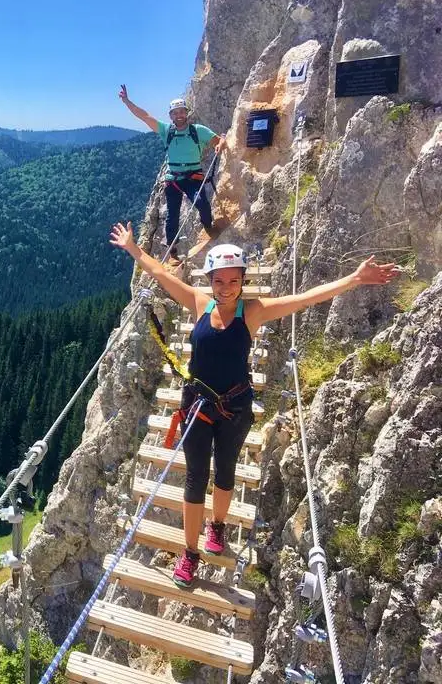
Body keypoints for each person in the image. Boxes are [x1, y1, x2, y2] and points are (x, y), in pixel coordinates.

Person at [109, 223, 400, 587]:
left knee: (227, 471)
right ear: (211, 281)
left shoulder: (254, 312)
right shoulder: (199, 302)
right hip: (197, 406)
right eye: (219, 281)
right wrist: (134, 250)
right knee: (196, 478)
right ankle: (190, 553)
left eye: (233, 281)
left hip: (233, 409)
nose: (226, 289)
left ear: (243, 281)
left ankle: (217, 527)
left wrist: (354, 279)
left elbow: (307, 298)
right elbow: (160, 274)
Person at [119, 86, 224, 262]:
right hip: (173, 179)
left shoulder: (197, 130)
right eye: (175, 113)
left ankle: (208, 226)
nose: (179, 116)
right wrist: (127, 102)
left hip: (193, 176)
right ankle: (172, 253)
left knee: (202, 203)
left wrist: (220, 144)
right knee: (172, 216)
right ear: (171, 116)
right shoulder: (166, 131)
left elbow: (218, 141)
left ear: (186, 113)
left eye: (181, 112)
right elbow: (144, 116)